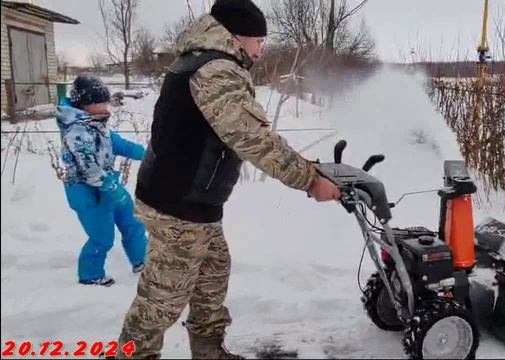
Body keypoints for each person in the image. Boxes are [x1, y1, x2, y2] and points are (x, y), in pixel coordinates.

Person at [115, 0, 341, 358]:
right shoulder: (216, 71)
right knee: (161, 301)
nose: (260, 49)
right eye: (258, 41)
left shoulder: (204, 61)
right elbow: (251, 137)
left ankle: (208, 351)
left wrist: (309, 170)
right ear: (237, 37)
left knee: (212, 276)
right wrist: (310, 179)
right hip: (178, 205)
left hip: (193, 202)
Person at [56, 75, 148, 287]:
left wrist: (146, 155)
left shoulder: (98, 123)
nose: (104, 107)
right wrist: (107, 185)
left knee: (133, 222)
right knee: (102, 236)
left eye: (104, 102)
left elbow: (117, 143)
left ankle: (142, 261)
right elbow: (87, 166)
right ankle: (91, 275)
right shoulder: (76, 131)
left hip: (109, 185)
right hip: (86, 192)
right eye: (99, 103)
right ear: (84, 105)